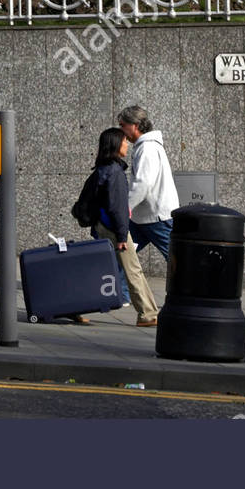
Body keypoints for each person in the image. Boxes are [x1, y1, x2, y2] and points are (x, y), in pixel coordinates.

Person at [89, 126, 160, 327]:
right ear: (115, 145)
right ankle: (147, 314)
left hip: (103, 225)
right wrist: (122, 235)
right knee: (133, 270)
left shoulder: (102, 169)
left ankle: (150, 312)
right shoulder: (115, 172)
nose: (127, 144)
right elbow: (117, 207)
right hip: (114, 228)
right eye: (123, 141)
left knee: (110, 268)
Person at [117, 104, 180, 262]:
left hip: (156, 218)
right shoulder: (145, 147)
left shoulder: (147, 148)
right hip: (143, 218)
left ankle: (194, 287)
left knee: (179, 261)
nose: (121, 131)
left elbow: (142, 184)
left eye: (123, 125)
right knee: (122, 257)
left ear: (135, 125)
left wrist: (125, 208)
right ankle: (119, 287)